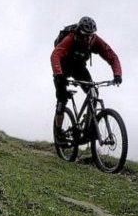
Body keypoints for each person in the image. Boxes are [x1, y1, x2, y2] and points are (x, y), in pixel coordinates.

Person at [52, 15, 122, 146]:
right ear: (79, 31)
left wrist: (117, 74)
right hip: (63, 67)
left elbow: (111, 56)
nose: (87, 38)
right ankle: (58, 133)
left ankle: (89, 126)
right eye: (85, 35)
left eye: (90, 35)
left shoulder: (94, 40)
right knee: (62, 99)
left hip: (79, 68)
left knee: (93, 92)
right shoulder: (70, 38)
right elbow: (56, 54)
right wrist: (59, 75)